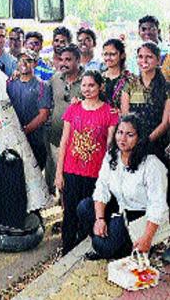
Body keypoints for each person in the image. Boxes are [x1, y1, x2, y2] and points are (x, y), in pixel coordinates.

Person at [77, 114, 168, 259]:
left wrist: (147, 238)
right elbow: (101, 187)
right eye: (120, 132)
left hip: (141, 217)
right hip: (120, 210)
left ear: (140, 137)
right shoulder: (112, 156)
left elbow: (158, 205)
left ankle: (121, 247)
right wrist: (99, 219)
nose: (122, 139)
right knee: (84, 207)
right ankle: (112, 245)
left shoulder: (152, 164)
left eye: (129, 134)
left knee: (104, 246)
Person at [55, 70, 119, 255]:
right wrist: (59, 173)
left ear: (100, 87)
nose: (87, 89)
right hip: (71, 170)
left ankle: (85, 249)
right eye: (84, 85)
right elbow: (64, 142)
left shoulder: (109, 112)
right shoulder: (73, 109)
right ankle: (67, 250)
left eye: (91, 85)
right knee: (70, 214)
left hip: (96, 173)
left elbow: (110, 147)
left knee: (87, 213)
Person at [121, 42, 170, 164]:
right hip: (131, 143)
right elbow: (125, 117)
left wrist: (146, 142)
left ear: (158, 61)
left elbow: (165, 123)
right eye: (140, 56)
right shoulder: (129, 85)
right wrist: (133, 140)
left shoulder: (166, 87)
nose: (144, 60)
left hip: (157, 143)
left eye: (149, 56)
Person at [45, 44, 84, 193]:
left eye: (68, 60)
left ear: (78, 60)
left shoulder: (88, 79)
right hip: (56, 139)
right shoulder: (55, 79)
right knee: (60, 181)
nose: (63, 63)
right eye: (61, 59)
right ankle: (64, 210)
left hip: (79, 141)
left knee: (76, 181)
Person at [7, 50, 52, 170]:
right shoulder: (10, 83)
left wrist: (24, 131)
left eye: (28, 60)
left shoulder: (42, 86)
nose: (24, 63)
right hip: (14, 141)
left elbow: (44, 115)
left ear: (35, 63)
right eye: (21, 60)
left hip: (35, 141)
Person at [101, 39, 135, 110]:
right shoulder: (98, 78)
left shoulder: (130, 79)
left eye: (113, 54)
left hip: (123, 119)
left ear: (122, 55)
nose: (108, 58)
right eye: (105, 54)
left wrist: (121, 112)